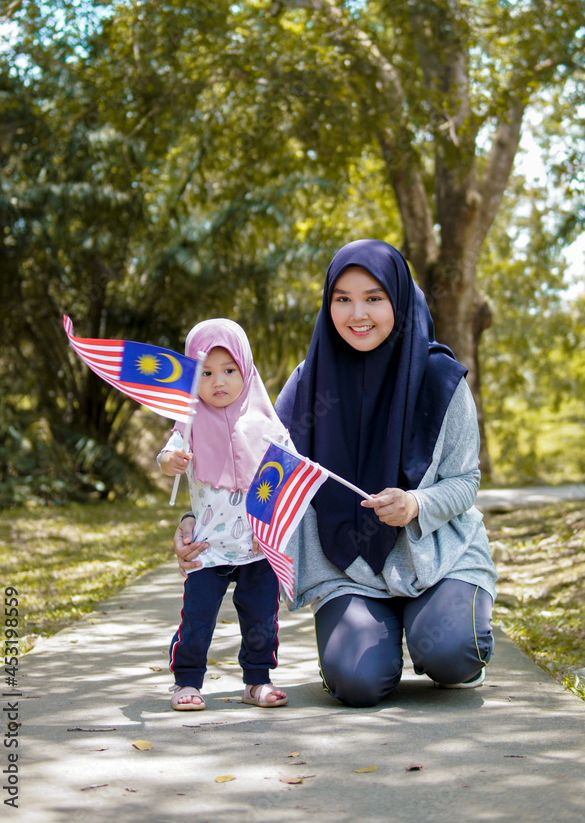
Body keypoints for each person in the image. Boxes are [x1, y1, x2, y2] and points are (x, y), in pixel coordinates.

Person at [175, 241, 496, 707]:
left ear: (399, 299)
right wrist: (194, 520)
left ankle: (447, 640)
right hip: (348, 571)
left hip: (439, 557)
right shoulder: (309, 382)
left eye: (374, 298)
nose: (357, 313)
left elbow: (465, 480)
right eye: (342, 298)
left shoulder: (439, 379)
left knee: (451, 651)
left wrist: (416, 504)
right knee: (358, 682)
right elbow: (254, 470)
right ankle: (376, 637)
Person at [159, 318, 288, 710]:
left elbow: (284, 470)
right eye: (207, 372)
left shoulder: (266, 421)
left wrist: (272, 523)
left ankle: (257, 680)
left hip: (256, 545)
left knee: (261, 620)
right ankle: (186, 681)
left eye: (229, 371)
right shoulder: (190, 419)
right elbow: (167, 454)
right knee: (197, 619)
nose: (219, 381)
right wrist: (172, 461)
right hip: (207, 546)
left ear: (246, 369)